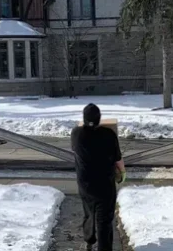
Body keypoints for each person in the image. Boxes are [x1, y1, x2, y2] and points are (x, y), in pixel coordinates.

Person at [71, 103, 126, 251]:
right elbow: (118, 159)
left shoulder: (76, 134)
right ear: (99, 119)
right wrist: (123, 173)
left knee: (89, 212)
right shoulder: (109, 135)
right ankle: (104, 247)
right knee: (104, 219)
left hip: (85, 184)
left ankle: (89, 240)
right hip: (105, 185)